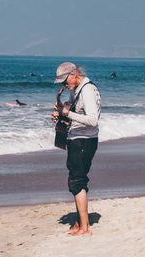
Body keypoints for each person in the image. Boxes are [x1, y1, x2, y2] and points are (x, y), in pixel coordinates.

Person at [51, 62, 101, 236]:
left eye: (65, 82)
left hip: (84, 141)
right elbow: (72, 110)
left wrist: (67, 114)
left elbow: (93, 120)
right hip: (77, 140)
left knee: (77, 181)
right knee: (76, 180)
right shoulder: (76, 90)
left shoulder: (86, 89)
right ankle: (80, 222)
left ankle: (85, 228)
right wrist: (60, 113)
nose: (64, 86)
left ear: (74, 74)